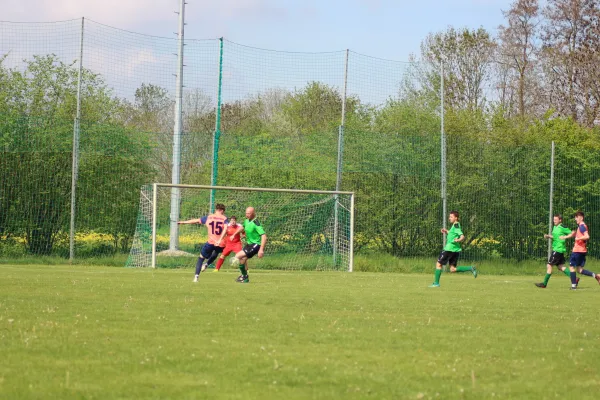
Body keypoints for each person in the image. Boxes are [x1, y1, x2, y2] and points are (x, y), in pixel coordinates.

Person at [178, 203, 227, 282]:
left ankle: (196, 277)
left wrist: (184, 222)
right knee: (216, 252)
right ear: (222, 210)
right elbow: (226, 228)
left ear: (216, 210)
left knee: (201, 258)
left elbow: (196, 221)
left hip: (210, 242)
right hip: (220, 243)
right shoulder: (224, 218)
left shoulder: (209, 217)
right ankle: (207, 264)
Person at [429, 211, 477, 288]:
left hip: (449, 249)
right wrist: (446, 231)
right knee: (453, 269)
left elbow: (462, 236)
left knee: (438, 264)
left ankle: (436, 283)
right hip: (455, 250)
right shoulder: (455, 225)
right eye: (449, 217)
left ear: (456, 218)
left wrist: (458, 240)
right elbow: (453, 233)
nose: (449, 218)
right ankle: (470, 268)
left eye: (451, 217)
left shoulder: (456, 225)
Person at [561, 211, 600, 290]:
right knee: (580, 270)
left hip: (577, 251)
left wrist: (578, 238)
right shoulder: (582, 226)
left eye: (576, 217)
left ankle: (573, 286)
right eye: (575, 217)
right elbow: (580, 235)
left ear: (581, 218)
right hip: (582, 250)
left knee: (572, 267)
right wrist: (567, 237)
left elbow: (587, 236)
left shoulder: (582, 226)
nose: (575, 219)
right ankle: (596, 276)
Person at [535, 214, 574, 288]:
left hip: (558, 249)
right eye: (554, 220)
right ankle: (574, 278)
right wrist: (548, 236)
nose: (554, 221)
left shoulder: (562, 227)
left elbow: (572, 233)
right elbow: (556, 237)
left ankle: (544, 284)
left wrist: (565, 237)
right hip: (558, 249)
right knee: (560, 266)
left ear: (560, 220)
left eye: (556, 220)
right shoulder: (555, 227)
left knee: (549, 265)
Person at [232, 207, 267, 283]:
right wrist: (234, 234)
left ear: (253, 213)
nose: (247, 215)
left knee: (238, 256)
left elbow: (264, 236)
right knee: (242, 259)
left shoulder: (256, 223)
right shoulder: (246, 221)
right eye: (246, 213)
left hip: (256, 245)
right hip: (249, 244)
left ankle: (244, 276)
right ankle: (245, 277)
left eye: (249, 213)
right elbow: (242, 227)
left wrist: (261, 249)